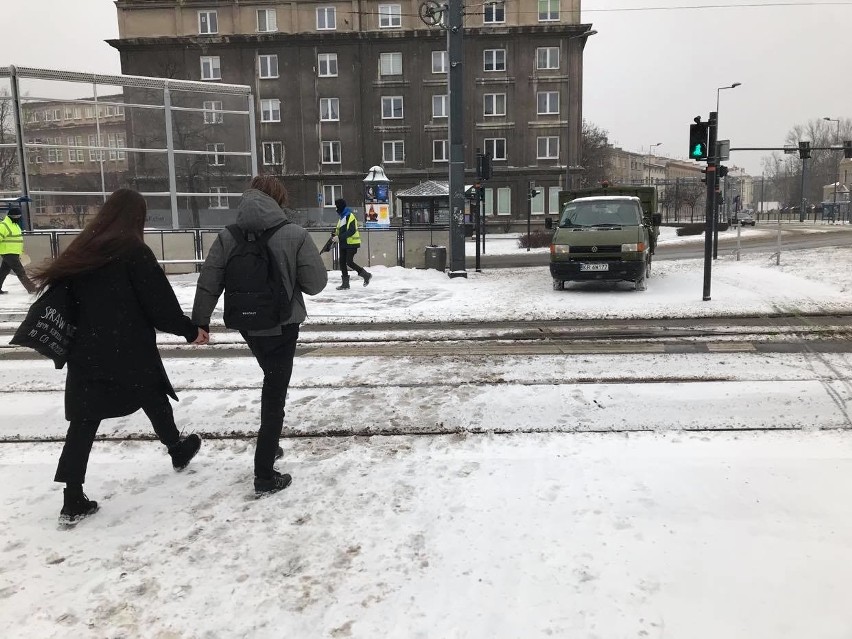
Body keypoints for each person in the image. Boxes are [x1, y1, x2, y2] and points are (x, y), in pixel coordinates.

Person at [31, 189, 208, 527]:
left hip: (87, 351)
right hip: (128, 348)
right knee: (153, 394)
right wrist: (189, 330)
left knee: (83, 422)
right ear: (135, 218)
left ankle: (72, 497)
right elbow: (159, 306)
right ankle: (176, 450)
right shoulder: (133, 252)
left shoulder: (83, 249)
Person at [192, 175, 327, 495]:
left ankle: (270, 444)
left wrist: (200, 322)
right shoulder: (294, 234)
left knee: (271, 380)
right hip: (283, 325)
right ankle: (264, 473)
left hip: (249, 326)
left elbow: (209, 280)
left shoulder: (228, 236)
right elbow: (316, 284)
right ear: (278, 199)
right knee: (275, 393)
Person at [332, 198, 372, 290]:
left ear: (340, 207)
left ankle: (366, 275)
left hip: (352, 243)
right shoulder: (342, 217)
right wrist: (335, 235)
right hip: (344, 243)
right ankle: (345, 284)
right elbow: (340, 230)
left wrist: (340, 237)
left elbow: (352, 230)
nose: (336, 209)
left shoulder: (349, 216)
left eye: (337, 207)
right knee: (342, 262)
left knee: (349, 262)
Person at [0, 206, 37, 294]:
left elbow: (17, 240)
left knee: (3, 272)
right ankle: (31, 288)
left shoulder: (15, 225)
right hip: (8, 252)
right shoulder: (3, 225)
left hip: (14, 252)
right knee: (20, 271)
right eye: (16, 217)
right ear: (11, 216)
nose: (18, 218)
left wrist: (21, 251)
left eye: (19, 217)